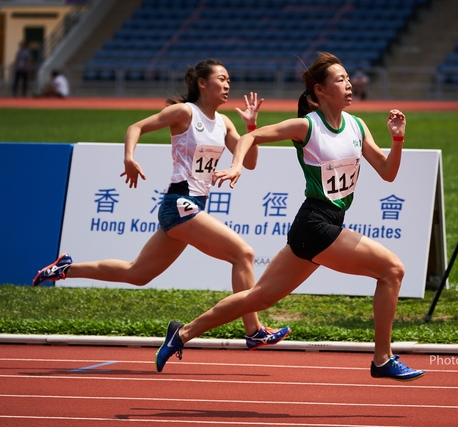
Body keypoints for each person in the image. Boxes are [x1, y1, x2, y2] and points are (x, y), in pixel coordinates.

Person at [154, 52, 425, 381]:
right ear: (321, 91)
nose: (350, 84)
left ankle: (181, 333)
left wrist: (397, 139)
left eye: (349, 78)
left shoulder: (357, 125)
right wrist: (237, 164)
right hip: (315, 224)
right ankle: (382, 359)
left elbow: (387, 172)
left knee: (258, 297)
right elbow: (252, 136)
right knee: (392, 270)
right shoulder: (306, 126)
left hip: (318, 226)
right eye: (341, 80)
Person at [32, 58, 290, 353]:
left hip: (191, 207)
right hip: (180, 203)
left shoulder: (224, 123)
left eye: (229, 80)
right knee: (243, 254)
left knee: (137, 274)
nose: (228, 84)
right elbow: (136, 127)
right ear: (202, 83)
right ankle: (254, 330)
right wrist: (129, 157)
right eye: (222, 78)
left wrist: (251, 127)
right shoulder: (184, 112)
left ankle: (65, 269)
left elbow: (251, 162)